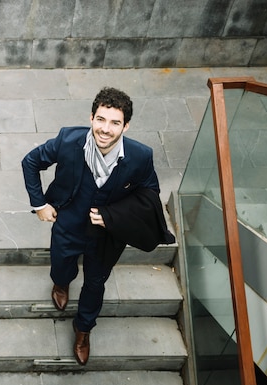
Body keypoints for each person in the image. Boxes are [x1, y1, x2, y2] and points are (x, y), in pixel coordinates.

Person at [21, 87, 174, 366]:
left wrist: (113, 216)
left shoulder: (140, 156)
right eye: (101, 119)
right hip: (68, 223)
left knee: (95, 283)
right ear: (91, 117)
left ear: (126, 125)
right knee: (61, 264)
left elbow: (149, 195)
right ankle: (62, 283)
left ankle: (83, 329)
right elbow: (30, 161)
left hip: (107, 236)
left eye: (115, 122)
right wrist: (40, 204)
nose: (106, 129)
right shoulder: (68, 140)